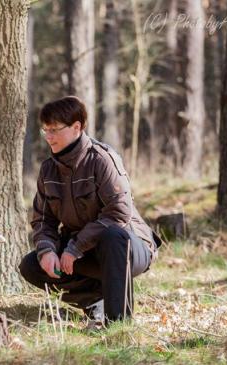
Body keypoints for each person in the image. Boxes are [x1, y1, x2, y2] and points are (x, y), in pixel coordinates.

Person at [19, 96, 161, 326]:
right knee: (31, 265)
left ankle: (118, 325)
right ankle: (97, 302)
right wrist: (46, 250)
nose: (48, 136)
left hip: (130, 248)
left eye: (54, 129)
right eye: (45, 130)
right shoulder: (48, 170)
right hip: (84, 253)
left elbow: (119, 213)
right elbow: (43, 221)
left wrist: (75, 248)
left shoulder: (102, 159)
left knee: (112, 235)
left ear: (77, 127)